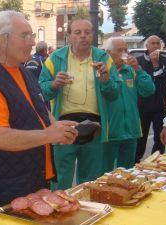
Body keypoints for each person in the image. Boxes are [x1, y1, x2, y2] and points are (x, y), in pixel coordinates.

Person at [0, 10, 78, 207]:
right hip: (8, 189)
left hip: (33, 180)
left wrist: (57, 128)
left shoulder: (22, 70)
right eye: (25, 35)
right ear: (3, 40)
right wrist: (49, 135)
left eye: (32, 35)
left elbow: (39, 108)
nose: (33, 42)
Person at [39, 16, 119, 190]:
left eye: (87, 32)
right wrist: (54, 84)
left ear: (92, 36)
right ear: (69, 37)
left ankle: (88, 211)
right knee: (60, 180)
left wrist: (106, 80)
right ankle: (60, 213)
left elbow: (114, 95)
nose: (83, 36)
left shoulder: (104, 58)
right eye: (77, 32)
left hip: (94, 129)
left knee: (90, 182)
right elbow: (41, 91)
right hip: (63, 128)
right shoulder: (55, 59)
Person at [103, 37, 155, 171]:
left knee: (127, 172)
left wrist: (138, 68)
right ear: (109, 52)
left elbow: (149, 89)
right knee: (107, 173)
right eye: (119, 50)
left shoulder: (131, 70)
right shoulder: (103, 71)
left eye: (126, 50)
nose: (124, 53)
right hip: (111, 131)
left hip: (131, 130)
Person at [136, 35, 166, 162]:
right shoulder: (139, 61)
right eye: (153, 43)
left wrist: (156, 64)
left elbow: (163, 81)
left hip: (160, 105)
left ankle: (156, 162)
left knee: (159, 138)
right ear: (146, 46)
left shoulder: (165, 60)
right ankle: (136, 162)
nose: (156, 46)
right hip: (142, 105)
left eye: (158, 43)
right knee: (140, 137)